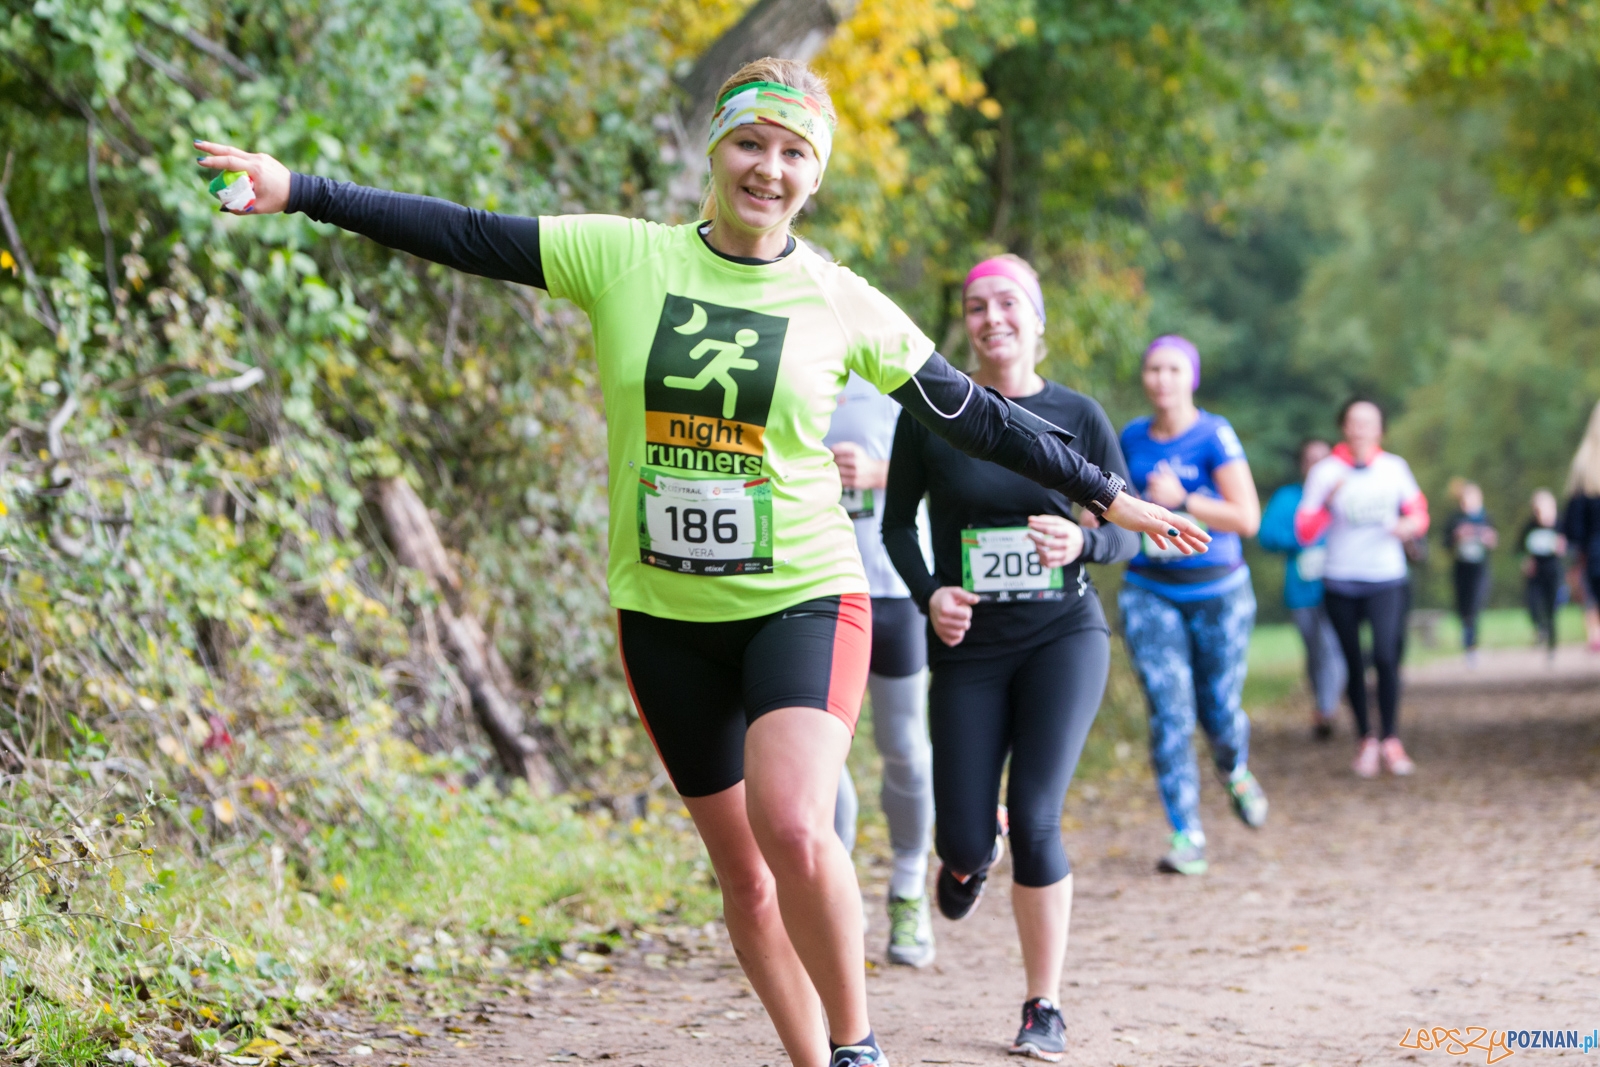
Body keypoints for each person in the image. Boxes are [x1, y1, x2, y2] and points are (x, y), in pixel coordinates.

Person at [196, 59, 1206, 1067]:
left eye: (794, 153)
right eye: (751, 144)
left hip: (803, 597)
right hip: (664, 612)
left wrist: (1110, 496)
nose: (769, 168)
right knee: (745, 875)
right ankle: (812, 1056)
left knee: (797, 824)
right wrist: (302, 192)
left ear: (816, 177)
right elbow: (464, 230)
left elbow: (980, 417)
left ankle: (857, 1046)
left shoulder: (841, 301)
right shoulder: (620, 257)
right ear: (716, 153)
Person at [882, 254, 1139, 1062]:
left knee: (1037, 815)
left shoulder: (1077, 413)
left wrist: (1084, 537)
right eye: (976, 306)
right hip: (969, 646)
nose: (992, 318)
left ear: (1036, 318)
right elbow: (895, 526)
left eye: (1007, 304)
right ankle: (970, 851)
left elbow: (1126, 526)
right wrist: (930, 593)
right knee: (960, 842)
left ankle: (1044, 1006)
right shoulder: (932, 409)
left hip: (1063, 635)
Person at [1118, 335, 1266, 878]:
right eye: (1153, 368)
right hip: (1150, 590)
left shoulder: (1213, 435)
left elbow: (1246, 518)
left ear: (1192, 377)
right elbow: (1108, 503)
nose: (1161, 379)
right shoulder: (1131, 438)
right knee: (1169, 712)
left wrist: (1184, 500)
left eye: (1173, 369)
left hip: (1218, 590)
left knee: (1218, 710)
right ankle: (1186, 832)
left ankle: (1236, 770)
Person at [824, 373, 936, 968]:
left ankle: (909, 886)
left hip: (892, 592)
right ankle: (832, 890)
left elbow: (948, 469)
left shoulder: (897, 384)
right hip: (814, 590)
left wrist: (878, 474)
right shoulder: (781, 366)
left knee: (903, 745)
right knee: (819, 753)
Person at [1297, 399, 1428, 779]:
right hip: (1340, 579)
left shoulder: (1394, 469)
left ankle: (1391, 738)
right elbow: (1304, 531)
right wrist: (1328, 503)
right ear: (1343, 428)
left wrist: (1409, 526)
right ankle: (1365, 740)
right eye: (1353, 423)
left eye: (1368, 423)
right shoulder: (1325, 473)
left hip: (1387, 577)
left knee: (1386, 657)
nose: (1360, 430)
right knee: (1352, 662)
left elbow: (1419, 513)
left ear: (1380, 430)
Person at [1258, 439, 1346, 740]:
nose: (1317, 466)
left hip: (1340, 586)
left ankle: (1327, 708)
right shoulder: (1288, 498)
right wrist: (1300, 538)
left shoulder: (1344, 494)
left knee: (1333, 646)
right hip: (1301, 589)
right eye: (1311, 459)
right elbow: (1266, 535)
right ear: (1302, 465)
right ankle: (1323, 700)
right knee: (1315, 649)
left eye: (1324, 459)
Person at [1442, 480, 1498, 663]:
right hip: (1461, 570)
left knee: (1474, 606)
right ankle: (1467, 642)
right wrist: (1456, 537)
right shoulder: (1455, 519)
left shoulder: (1487, 518)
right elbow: (1445, 544)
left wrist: (1487, 539)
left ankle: (1472, 646)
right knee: (1464, 608)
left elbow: (1494, 542)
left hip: (1480, 570)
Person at [1564, 400, 1600, 655]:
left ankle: (1595, 635)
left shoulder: (1583, 467)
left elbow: (1574, 525)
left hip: (1594, 554)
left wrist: (1579, 556)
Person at [1520, 489, 1566, 659]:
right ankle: (1541, 629)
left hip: (1553, 572)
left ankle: (1552, 646)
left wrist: (1563, 548)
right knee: (1532, 604)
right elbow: (1519, 549)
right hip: (1535, 575)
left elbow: (1570, 548)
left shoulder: (1560, 525)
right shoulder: (1529, 527)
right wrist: (1525, 561)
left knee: (1551, 609)